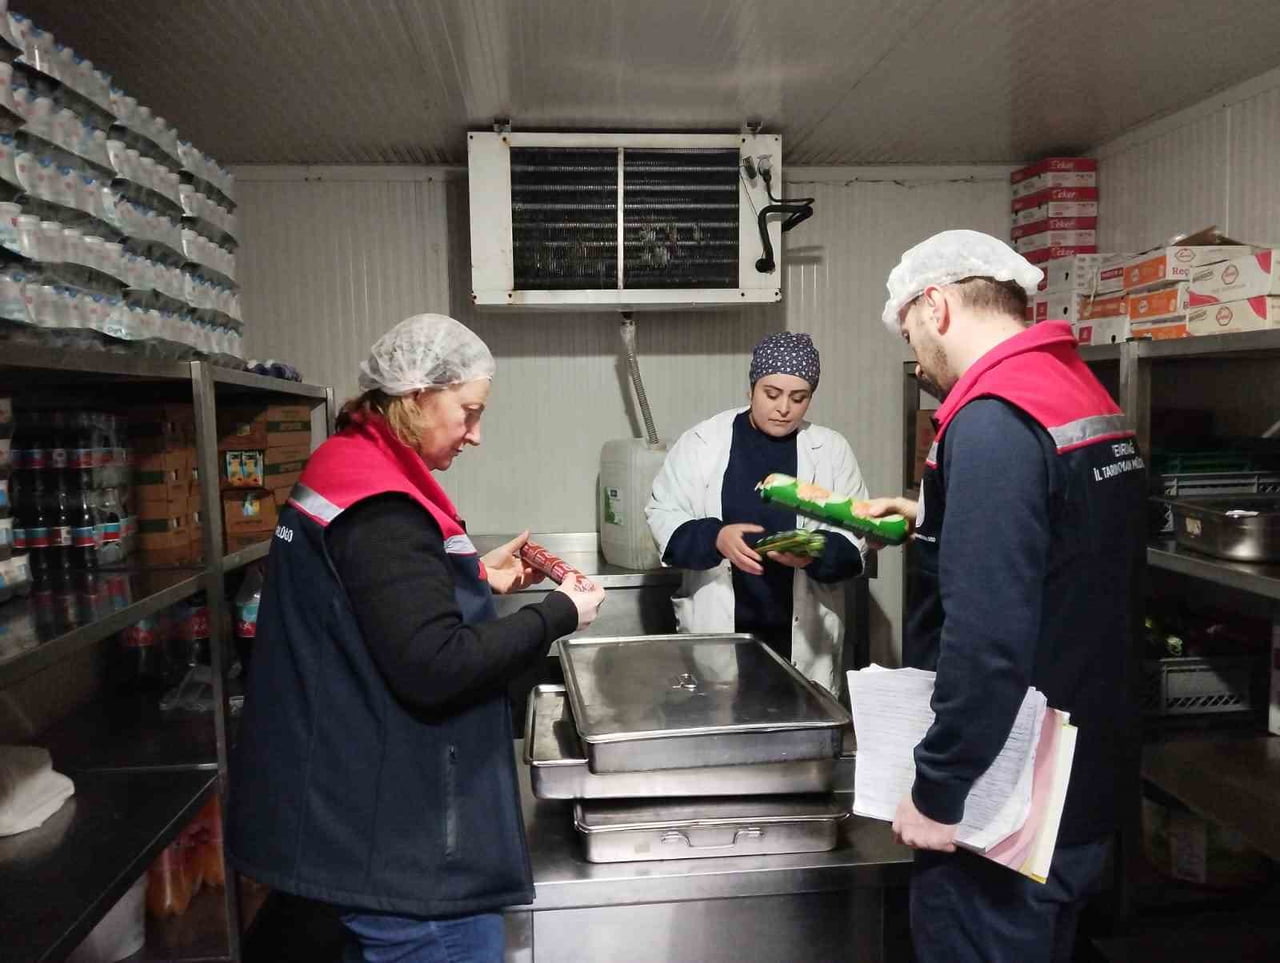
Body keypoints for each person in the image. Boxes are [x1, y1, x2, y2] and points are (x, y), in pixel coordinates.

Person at [227, 313, 606, 963]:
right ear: (414, 395)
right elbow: (434, 664)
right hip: (405, 852)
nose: (476, 434)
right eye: (468, 411)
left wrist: (472, 577)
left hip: (350, 816)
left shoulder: (345, 463)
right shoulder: (383, 504)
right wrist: (559, 612)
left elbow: (370, 601)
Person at [864, 230, 1146, 963]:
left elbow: (987, 637)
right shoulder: (1078, 389)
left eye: (910, 333)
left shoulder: (992, 416)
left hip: (1010, 802)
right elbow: (1064, 552)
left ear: (937, 306)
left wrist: (938, 788)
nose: (918, 359)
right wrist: (934, 523)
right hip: (1086, 784)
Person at [645, 331, 869, 694]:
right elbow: (662, 514)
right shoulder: (703, 443)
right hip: (720, 632)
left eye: (799, 398)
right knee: (722, 733)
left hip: (802, 639)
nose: (784, 408)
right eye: (771, 394)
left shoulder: (830, 450)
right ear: (750, 389)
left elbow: (854, 538)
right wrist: (715, 537)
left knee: (801, 733)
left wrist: (814, 549)